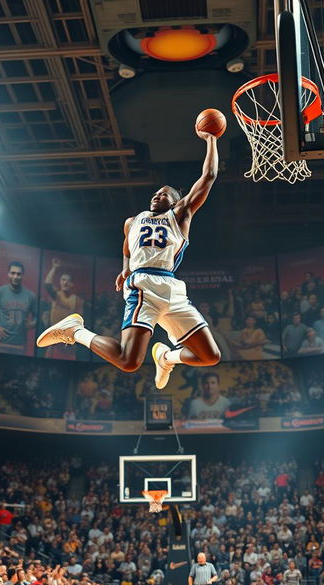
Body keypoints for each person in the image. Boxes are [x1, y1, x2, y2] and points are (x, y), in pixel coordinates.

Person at [37, 126, 221, 390]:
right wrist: (126, 269)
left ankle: (166, 357)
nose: (157, 195)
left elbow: (209, 175)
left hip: (173, 289)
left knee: (210, 356)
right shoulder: (131, 222)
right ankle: (75, 331)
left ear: (175, 201)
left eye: (164, 193)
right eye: (155, 193)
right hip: (143, 284)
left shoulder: (180, 216)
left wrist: (211, 140)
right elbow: (126, 248)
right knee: (128, 361)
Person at [0, 262, 38, 354]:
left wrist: (33, 323)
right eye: (13, 273)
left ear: (22, 276)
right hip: (1, 344)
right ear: (8, 274)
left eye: (18, 274)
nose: (15, 276)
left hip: (21, 346)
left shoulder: (30, 296)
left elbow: (37, 316)